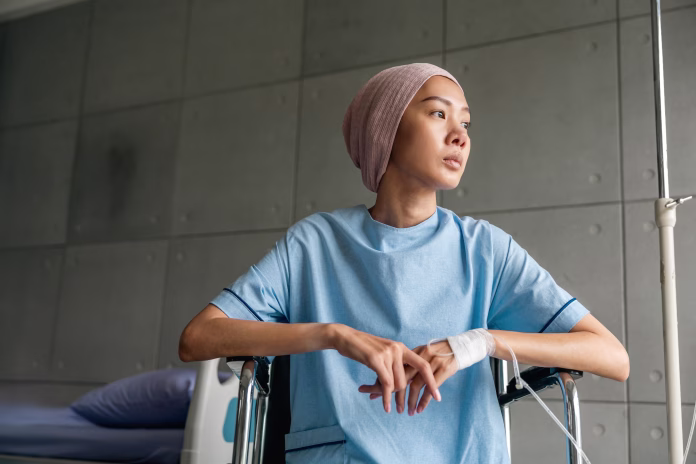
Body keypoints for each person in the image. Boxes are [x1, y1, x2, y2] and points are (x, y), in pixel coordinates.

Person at [178, 63, 630, 463]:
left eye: (466, 123)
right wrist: (334, 335)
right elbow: (199, 337)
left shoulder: (484, 249)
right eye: (438, 114)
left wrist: (480, 342)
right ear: (386, 130)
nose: (460, 135)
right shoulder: (316, 243)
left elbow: (611, 357)